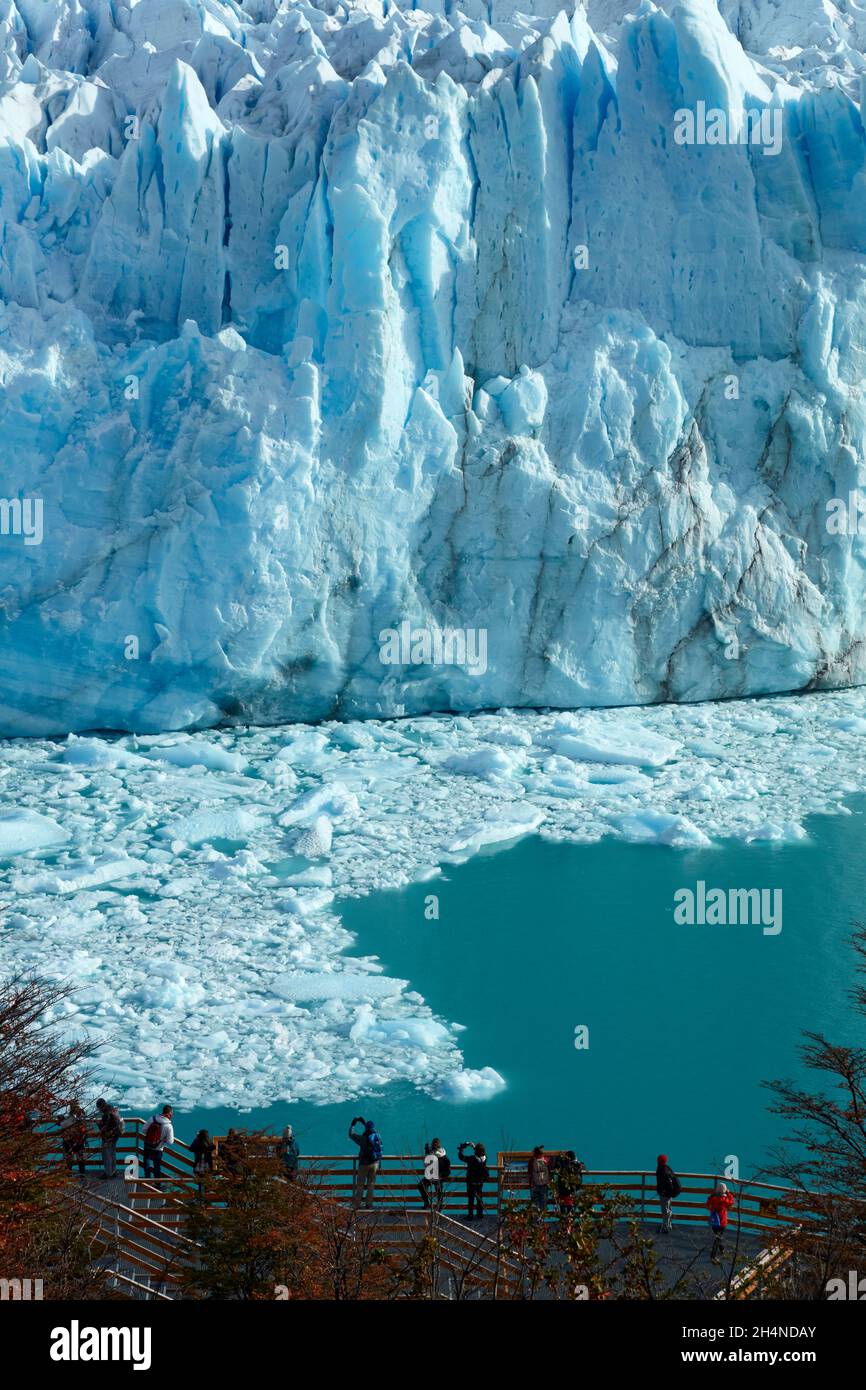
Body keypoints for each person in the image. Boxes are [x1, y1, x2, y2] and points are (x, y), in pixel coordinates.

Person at [348, 1116, 382, 1209]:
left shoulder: (363, 1139)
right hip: (375, 1163)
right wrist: (364, 1123)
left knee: (360, 1186)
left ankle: (356, 1205)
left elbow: (351, 1134)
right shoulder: (377, 1135)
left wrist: (353, 1124)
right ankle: (369, 1204)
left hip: (364, 1164)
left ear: (366, 1128)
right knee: (371, 1185)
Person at [458, 1141, 489, 1221]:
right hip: (480, 1181)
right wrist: (474, 1146)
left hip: (471, 1182)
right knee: (479, 1198)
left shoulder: (471, 1159)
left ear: (476, 1150)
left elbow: (461, 1157)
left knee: (471, 1199)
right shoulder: (485, 1158)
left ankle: (470, 1215)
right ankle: (480, 1214)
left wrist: (461, 1149)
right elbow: (480, 1153)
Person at [418, 1138, 451, 1211]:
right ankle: (426, 1203)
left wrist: (441, 1177)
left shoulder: (444, 1157)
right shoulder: (431, 1153)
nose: (435, 1145)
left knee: (439, 1192)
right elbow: (426, 1162)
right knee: (421, 1186)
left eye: (436, 1144)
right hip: (430, 1175)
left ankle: (439, 1208)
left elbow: (448, 1171)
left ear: (439, 1145)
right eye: (434, 1144)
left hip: (439, 1177)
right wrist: (426, 1150)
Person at [552, 1150, 586, 1221]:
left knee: (563, 1208)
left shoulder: (562, 1164)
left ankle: (564, 1225)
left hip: (562, 1189)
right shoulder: (577, 1164)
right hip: (571, 1190)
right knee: (570, 1209)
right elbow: (583, 1167)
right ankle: (569, 1225)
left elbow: (556, 1168)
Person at [95, 1098, 124, 1180]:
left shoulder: (106, 1115)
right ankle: (113, 1171)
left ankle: (108, 1173)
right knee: (112, 1153)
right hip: (116, 1135)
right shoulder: (112, 1109)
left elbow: (104, 1128)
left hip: (108, 1137)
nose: (99, 1109)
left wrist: (98, 1124)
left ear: (101, 1106)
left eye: (99, 1107)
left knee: (106, 1155)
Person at [707, 1180, 735, 1263]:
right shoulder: (724, 1199)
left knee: (718, 1236)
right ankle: (713, 1256)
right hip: (722, 1223)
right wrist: (729, 1193)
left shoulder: (712, 1198)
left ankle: (722, 1249)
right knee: (717, 1239)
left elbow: (708, 1204)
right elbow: (731, 1202)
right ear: (724, 1190)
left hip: (714, 1221)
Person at [143, 1105, 174, 1180]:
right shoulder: (168, 1126)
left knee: (147, 1163)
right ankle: (157, 1184)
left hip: (148, 1145)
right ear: (169, 1113)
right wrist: (163, 1138)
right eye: (172, 1113)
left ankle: (147, 1180)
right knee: (157, 1166)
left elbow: (144, 1130)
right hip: (158, 1148)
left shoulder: (153, 1118)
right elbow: (170, 1141)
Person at [656, 1153, 681, 1234]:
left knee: (665, 1210)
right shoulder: (667, 1168)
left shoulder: (663, 1171)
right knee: (668, 1209)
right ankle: (668, 1225)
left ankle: (666, 1227)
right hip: (668, 1194)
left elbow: (666, 1184)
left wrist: (663, 1191)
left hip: (665, 1194)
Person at [60, 1102, 88, 1177]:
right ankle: (82, 1173)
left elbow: (64, 1126)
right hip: (79, 1140)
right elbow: (84, 1128)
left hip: (69, 1140)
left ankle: (69, 1172)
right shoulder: (81, 1116)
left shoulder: (71, 1117)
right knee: (80, 1157)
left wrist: (61, 1121)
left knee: (69, 1156)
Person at [528, 1145, 551, 1213]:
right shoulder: (546, 1160)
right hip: (544, 1184)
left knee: (535, 1203)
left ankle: (536, 1220)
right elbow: (550, 1171)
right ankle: (541, 1219)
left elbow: (529, 1172)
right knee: (543, 1203)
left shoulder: (532, 1160)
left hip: (534, 1184)